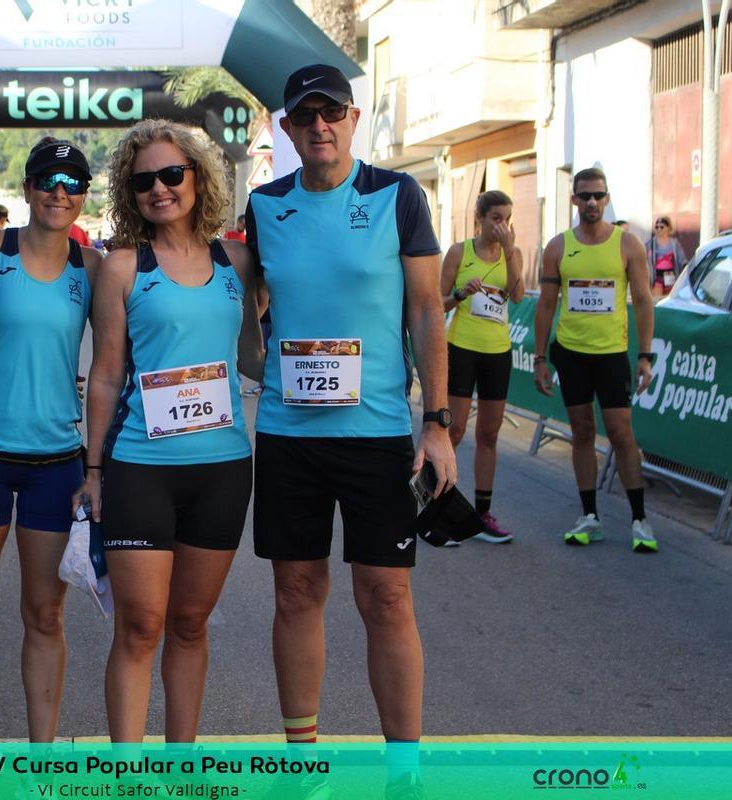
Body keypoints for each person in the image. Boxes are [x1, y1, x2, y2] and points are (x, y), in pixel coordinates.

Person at [244, 64, 453, 800]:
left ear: (354, 118)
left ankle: (405, 773)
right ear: (288, 128)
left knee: (386, 598)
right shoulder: (265, 205)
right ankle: (301, 768)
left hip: (377, 435)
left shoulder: (397, 195)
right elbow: (242, 303)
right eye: (305, 116)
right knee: (296, 592)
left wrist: (437, 424)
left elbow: (426, 310)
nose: (319, 126)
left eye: (331, 112)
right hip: (290, 437)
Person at [76, 118, 263, 743]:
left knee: (189, 624)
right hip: (140, 469)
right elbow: (106, 375)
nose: (159, 188)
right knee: (139, 628)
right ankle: (127, 776)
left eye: (172, 174)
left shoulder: (236, 260)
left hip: (223, 470)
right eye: (143, 181)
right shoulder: (123, 267)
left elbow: (255, 353)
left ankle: (181, 764)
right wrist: (93, 469)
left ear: (198, 177)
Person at [0, 138, 101, 744]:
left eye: (72, 183)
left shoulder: (92, 268)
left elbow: (119, 353)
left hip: (56, 462)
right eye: (47, 181)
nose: (59, 193)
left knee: (44, 613)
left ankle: (42, 757)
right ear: (29, 187)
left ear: (83, 195)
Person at [533, 167, 657, 552]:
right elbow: (546, 305)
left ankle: (640, 520)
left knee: (621, 433)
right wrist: (539, 358)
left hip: (611, 355)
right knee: (582, 432)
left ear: (606, 199)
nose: (591, 202)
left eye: (598, 196)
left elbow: (644, 301)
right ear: (574, 199)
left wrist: (645, 355)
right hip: (571, 354)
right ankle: (590, 516)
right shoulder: (558, 247)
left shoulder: (627, 244)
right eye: (584, 195)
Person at [439, 190, 525, 544]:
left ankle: (482, 514)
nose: (502, 225)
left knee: (489, 435)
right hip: (462, 347)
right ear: (481, 217)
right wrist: (460, 294)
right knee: (453, 431)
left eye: (507, 218)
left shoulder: (511, 253)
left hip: (497, 352)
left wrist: (510, 252)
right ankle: (438, 512)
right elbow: (437, 303)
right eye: (496, 218)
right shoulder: (459, 252)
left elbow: (518, 295)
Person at [645, 215, 688, 299]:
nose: (659, 229)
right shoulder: (650, 244)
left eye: (662, 227)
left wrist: (685, 265)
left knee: (669, 297)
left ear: (668, 228)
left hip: (670, 274)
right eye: (657, 227)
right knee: (656, 298)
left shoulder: (674, 243)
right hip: (657, 276)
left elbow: (681, 258)